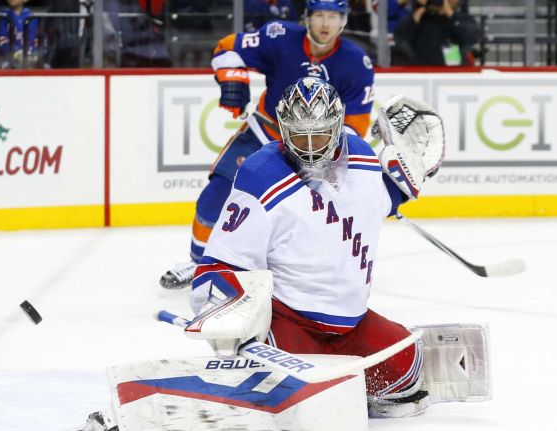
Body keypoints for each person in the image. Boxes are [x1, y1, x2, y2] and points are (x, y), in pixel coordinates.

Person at [187, 77, 448, 417]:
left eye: (320, 134)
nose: (310, 148)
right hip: (288, 323)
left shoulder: (364, 161)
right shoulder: (261, 174)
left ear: (338, 127)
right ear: (283, 128)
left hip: (351, 325)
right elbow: (219, 263)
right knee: (307, 403)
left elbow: (377, 197)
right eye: (299, 136)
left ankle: (333, 385)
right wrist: (226, 314)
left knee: (406, 370)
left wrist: (409, 174)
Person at [160, 0, 376, 289]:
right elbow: (227, 47)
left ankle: (303, 271)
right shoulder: (280, 36)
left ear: (344, 20)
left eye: (334, 17)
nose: (326, 24)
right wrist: (233, 79)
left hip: (314, 151)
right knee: (217, 194)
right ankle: (198, 263)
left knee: (310, 217)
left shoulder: (356, 62)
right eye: (320, 15)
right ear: (307, 17)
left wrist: (326, 158)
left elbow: (355, 124)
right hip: (264, 134)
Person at [393, 0, 478, 66]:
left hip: (452, 73)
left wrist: (450, 14)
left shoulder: (460, 19)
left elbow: (471, 37)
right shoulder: (415, 19)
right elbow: (400, 38)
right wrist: (421, 9)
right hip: (420, 71)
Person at [0, 0, 40, 69]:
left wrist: (34, 54)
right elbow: (2, 41)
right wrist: (17, 54)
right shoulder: (3, 16)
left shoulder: (31, 16)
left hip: (29, 58)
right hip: (8, 59)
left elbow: (35, 40)